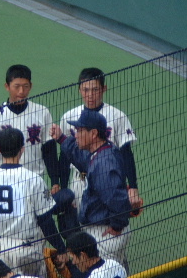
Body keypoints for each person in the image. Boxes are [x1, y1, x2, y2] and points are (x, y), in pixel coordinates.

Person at [0, 127, 67, 278]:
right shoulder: (33, 180)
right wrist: (61, 248)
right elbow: (46, 222)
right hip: (27, 252)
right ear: (22, 150)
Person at [50, 109, 132, 267]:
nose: (76, 135)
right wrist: (61, 139)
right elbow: (82, 158)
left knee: (101, 277)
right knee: (116, 272)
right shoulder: (102, 152)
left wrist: (117, 225)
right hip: (105, 229)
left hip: (104, 232)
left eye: (80, 130)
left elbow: (116, 199)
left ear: (93, 134)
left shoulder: (104, 164)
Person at [59, 67, 141, 210]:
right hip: (78, 181)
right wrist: (64, 188)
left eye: (95, 90)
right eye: (85, 90)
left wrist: (133, 187)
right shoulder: (69, 117)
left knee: (108, 218)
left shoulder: (117, 116)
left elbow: (126, 154)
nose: (90, 95)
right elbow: (65, 156)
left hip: (108, 180)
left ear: (104, 89)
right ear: (79, 90)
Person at [0, 64, 59, 190]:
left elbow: (49, 150)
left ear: (31, 86)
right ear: (7, 86)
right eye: (17, 86)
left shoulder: (42, 112)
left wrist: (55, 181)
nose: (21, 91)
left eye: (25, 86)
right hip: (2, 180)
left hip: (34, 181)